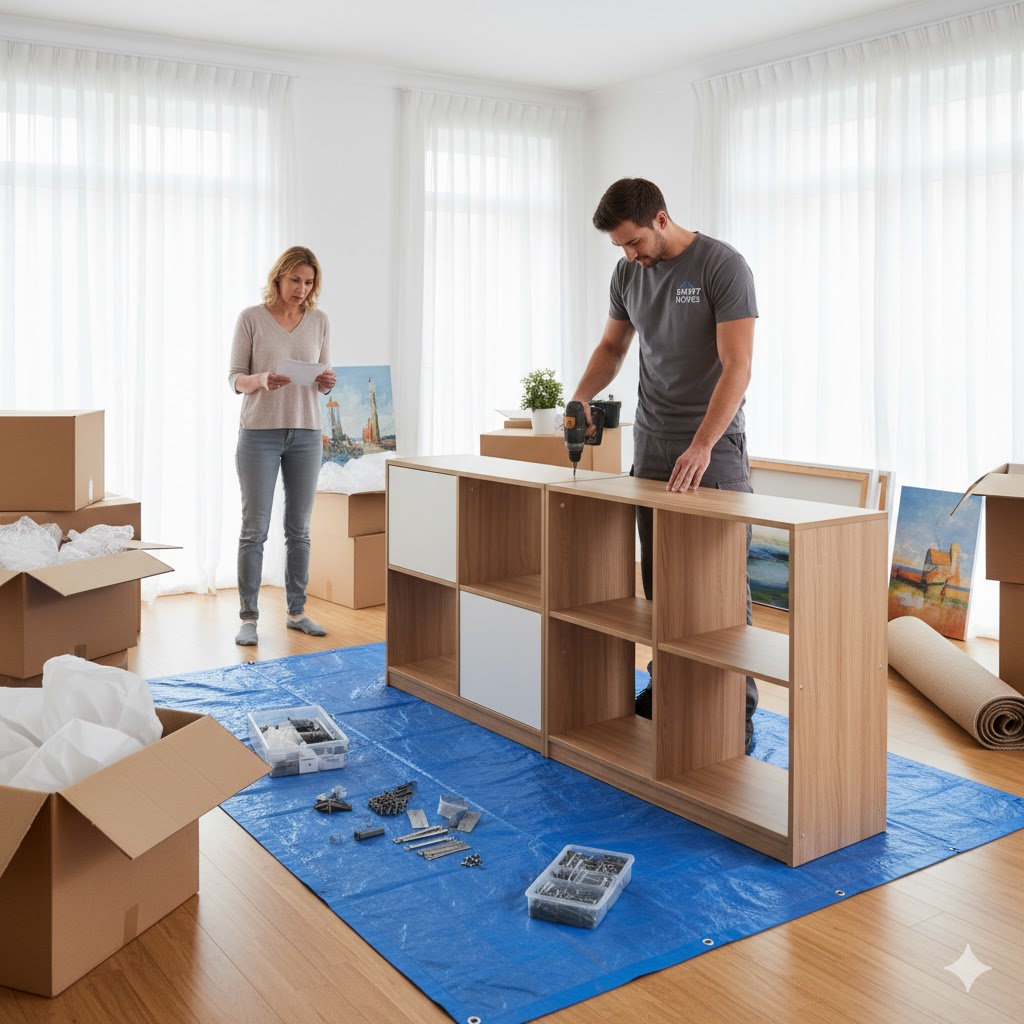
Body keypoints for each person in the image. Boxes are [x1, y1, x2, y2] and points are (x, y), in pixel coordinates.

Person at [570, 178, 759, 753]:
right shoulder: (628, 273)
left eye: (633, 243)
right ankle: (668, 682)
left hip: (713, 449)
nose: (629, 256)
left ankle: (738, 707)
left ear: (659, 218)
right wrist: (580, 398)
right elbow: (612, 348)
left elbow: (737, 366)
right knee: (659, 580)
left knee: (720, 583)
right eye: (619, 248)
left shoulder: (722, 266)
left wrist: (702, 444)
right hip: (650, 447)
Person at [228, 246, 336, 647]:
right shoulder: (251, 319)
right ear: (279, 277)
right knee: (254, 528)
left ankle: (296, 612)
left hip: (306, 432)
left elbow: (321, 373)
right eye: (295, 280)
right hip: (259, 432)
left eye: (308, 283)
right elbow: (234, 378)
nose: (301, 290)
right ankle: (249, 617)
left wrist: (327, 382)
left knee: (300, 529)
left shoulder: (320, 321)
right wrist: (260, 380)